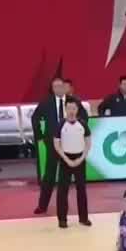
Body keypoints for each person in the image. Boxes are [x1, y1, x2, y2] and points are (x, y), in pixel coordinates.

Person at [34, 77, 88, 216]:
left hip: (71, 144)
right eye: (55, 86)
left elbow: (84, 117)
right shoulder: (46, 102)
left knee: (70, 178)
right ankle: (42, 205)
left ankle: (73, 210)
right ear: (52, 89)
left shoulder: (73, 101)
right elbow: (35, 117)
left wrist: (78, 131)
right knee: (49, 175)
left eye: (60, 86)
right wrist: (40, 136)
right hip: (53, 143)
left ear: (65, 87)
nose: (58, 88)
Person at [54, 98, 92, 228]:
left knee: (81, 189)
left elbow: (88, 143)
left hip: (80, 158)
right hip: (65, 159)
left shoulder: (83, 124)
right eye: (69, 108)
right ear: (65, 109)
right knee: (62, 190)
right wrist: (67, 160)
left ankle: (83, 218)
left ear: (77, 109)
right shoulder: (60, 125)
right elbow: (57, 145)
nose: (71, 111)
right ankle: (62, 219)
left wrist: (81, 158)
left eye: (73, 108)